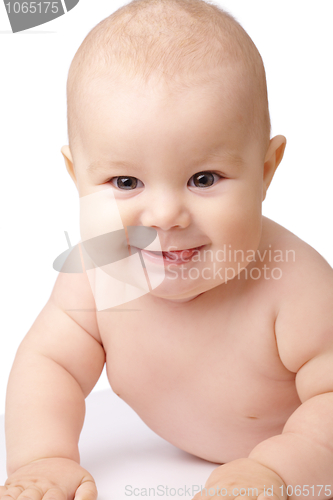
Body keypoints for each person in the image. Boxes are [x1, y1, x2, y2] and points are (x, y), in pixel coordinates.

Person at [2, 1, 333, 499]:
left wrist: (278, 473)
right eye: (125, 181)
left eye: (203, 179)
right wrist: (43, 458)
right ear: (77, 178)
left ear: (266, 171)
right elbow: (50, 365)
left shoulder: (294, 287)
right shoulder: (103, 273)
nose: (163, 216)